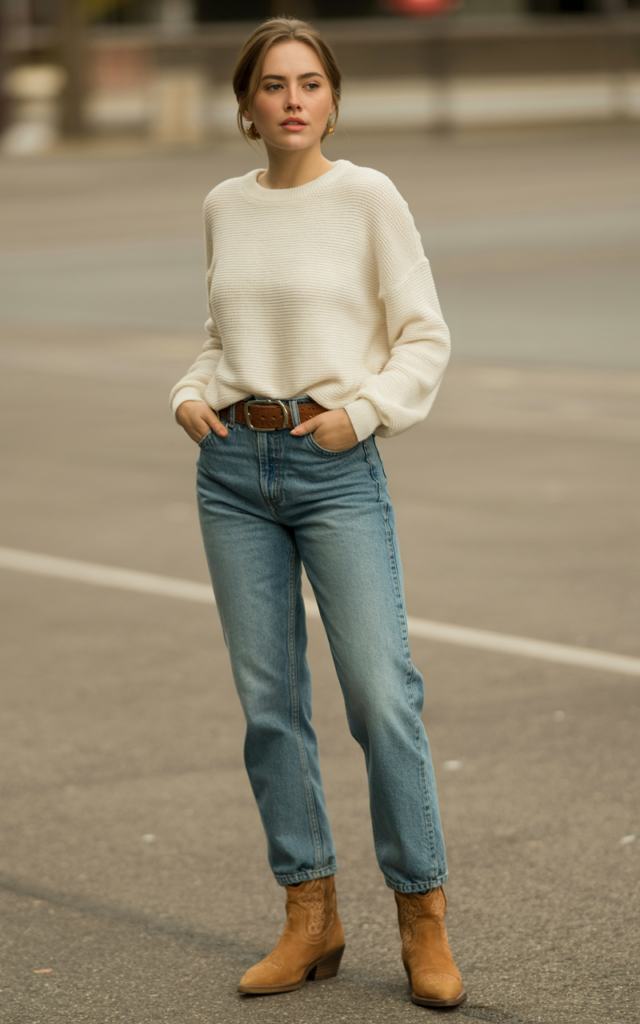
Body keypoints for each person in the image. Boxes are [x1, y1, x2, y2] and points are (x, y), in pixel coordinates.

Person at [170, 16, 465, 1009]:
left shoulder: (367, 196)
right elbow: (221, 335)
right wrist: (186, 392)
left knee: (382, 695)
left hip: (333, 466)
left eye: (308, 82)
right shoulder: (223, 204)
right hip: (230, 471)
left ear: (331, 98)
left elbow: (422, 336)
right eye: (271, 85)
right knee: (269, 710)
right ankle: (310, 916)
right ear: (246, 105)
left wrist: (366, 413)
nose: (291, 99)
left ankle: (421, 914)